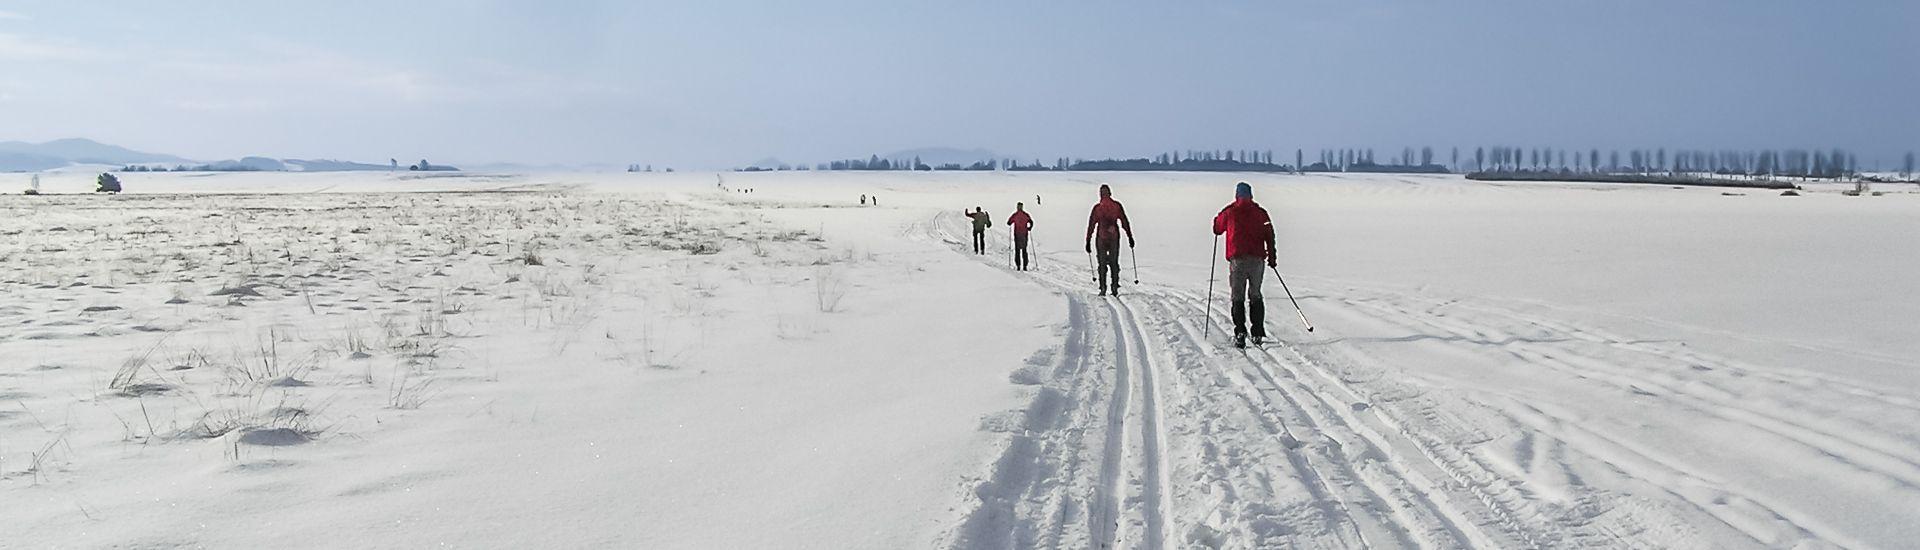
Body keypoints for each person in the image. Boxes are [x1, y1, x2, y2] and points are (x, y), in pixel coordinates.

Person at [1212, 182, 1276, 348]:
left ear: (1237, 195)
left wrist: (1219, 216)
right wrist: (1272, 257)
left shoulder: (1230, 211)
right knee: (1255, 294)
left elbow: (1217, 228)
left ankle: (1240, 332)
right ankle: (1257, 333)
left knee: (1237, 296)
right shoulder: (1261, 213)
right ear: (1251, 195)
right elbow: (1269, 234)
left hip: (1238, 260)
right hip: (1257, 260)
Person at [1083, 184, 1134, 295]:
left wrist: (1088, 240)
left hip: (1101, 237)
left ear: (1100, 194)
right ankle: (1114, 287)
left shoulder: (1097, 208)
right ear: (1110, 193)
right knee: (1114, 262)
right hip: (1114, 237)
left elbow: (1091, 225)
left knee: (1102, 264)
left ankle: (1103, 288)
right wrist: (1130, 237)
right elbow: (1125, 222)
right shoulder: (1117, 206)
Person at [1007, 203, 1034, 271]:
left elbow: (1009, 222)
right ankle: (1025, 266)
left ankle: (1018, 266)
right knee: (1024, 250)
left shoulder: (1015, 215)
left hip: (1017, 234)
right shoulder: (1026, 215)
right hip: (1024, 234)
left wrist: (1011, 223)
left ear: (1017, 207)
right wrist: (1029, 228)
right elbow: (1031, 222)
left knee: (1017, 250)